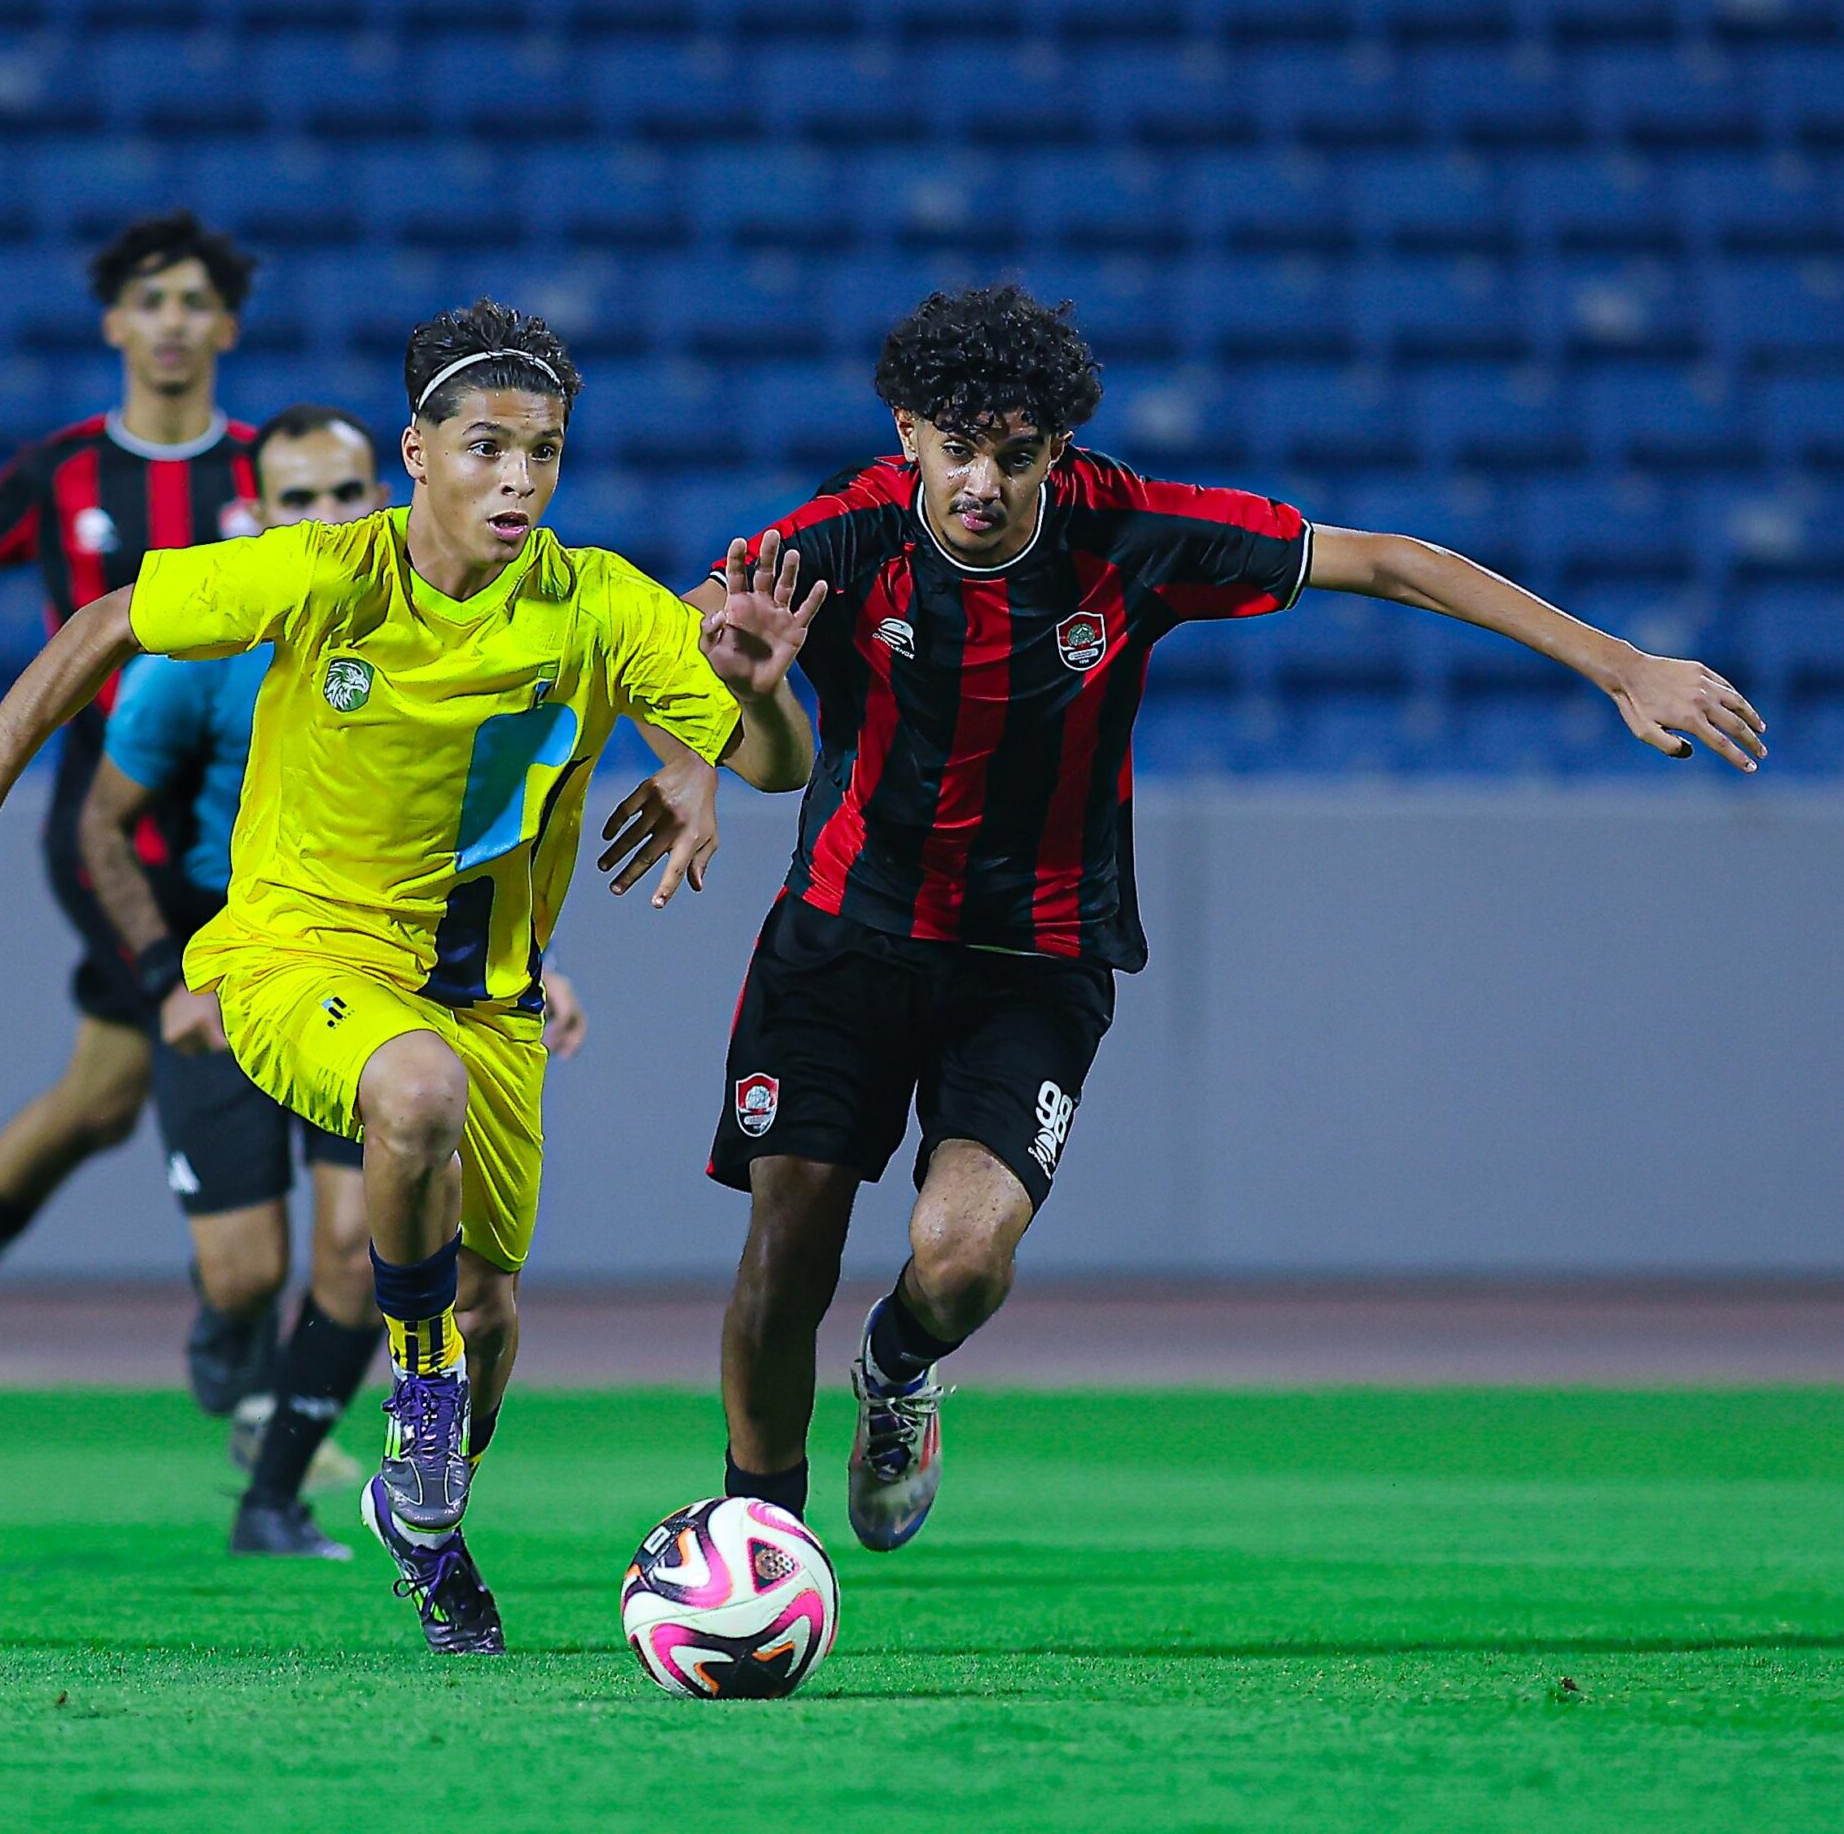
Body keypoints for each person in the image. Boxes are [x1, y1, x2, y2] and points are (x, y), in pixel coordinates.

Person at [688, 285, 1767, 1553]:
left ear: (1058, 448)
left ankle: (897, 1365)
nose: (983, 482)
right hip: (845, 932)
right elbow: (695, 642)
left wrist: (1620, 663)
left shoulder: (1131, 530)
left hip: (1034, 955)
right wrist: (699, 758)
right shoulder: (839, 534)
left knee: (962, 1257)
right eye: (958, 448)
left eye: (1016, 454)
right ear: (907, 431)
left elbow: (1390, 560)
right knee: (787, 1249)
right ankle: (758, 1544)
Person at [0, 299, 823, 1653]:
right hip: (292, 954)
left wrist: (762, 694)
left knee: (491, 1315)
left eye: (543, 451)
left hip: (491, 1000)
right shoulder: (322, 573)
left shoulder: (601, 602)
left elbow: (778, 766)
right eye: (486, 448)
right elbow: (106, 620)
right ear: (417, 453)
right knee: (412, 1100)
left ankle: (426, 1525)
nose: (519, 479)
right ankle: (414, 1389)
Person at [79, 402, 594, 1557]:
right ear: (259, 513)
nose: (327, 511)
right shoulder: (204, 657)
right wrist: (163, 972)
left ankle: (279, 1492)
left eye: (343, 490)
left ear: (384, 487)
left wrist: (537, 970)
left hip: (382, 977)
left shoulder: (439, 627)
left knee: (360, 1244)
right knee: (245, 1268)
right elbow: (104, 823)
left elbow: (477, 828)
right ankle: (233, 1333)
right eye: (298, 498)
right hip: (233, 966)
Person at [0, 211, 260, 1448]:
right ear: (114, 324)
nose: (172, 321)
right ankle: (251, 1366)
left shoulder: (270, 473)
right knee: (212, 1022)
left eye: (193, 301)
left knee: (100, 1097)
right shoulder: (59, 471)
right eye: (151, 300)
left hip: (238, 805)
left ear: (225, 326)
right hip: (105, 816)